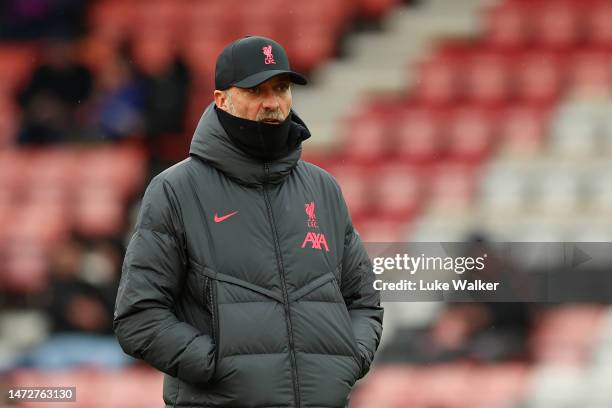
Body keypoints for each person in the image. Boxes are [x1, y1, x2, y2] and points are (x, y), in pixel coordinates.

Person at [114, 36, 383, 408]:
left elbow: (364, 301)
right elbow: (138, 316)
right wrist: (217, 366)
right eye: (256, 90)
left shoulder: (323, 189)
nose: (272, 102)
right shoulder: (176, 190)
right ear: (221, 99)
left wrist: (347, 359)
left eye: (281, 88)